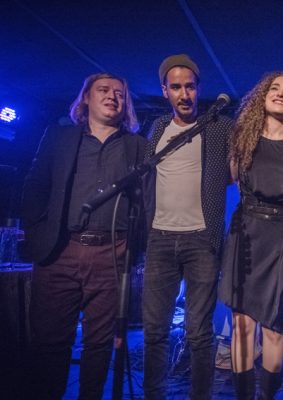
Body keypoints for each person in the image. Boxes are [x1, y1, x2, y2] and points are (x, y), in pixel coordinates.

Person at [21, 72, 146, 400]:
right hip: (60, 250)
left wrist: (133, 250)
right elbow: (34, 189)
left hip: (111, 254)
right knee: (51, 342)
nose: (112, 97)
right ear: (86, 98)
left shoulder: (137, 146)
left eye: (120, 93)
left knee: (100, 343)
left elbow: (148, 201)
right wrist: (37, 237)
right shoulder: (59, 138)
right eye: (103, 90)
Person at [218, 71, 283, 399]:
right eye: (274, 88)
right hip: (245, 233)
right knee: (242, 325)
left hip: (282, 238)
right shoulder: (243, 139)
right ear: (261, 97)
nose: (280, 93)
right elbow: (225, 179)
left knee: (275, 328)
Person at [142, 54, 233, 400]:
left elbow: (237, 166)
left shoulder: (219, 125)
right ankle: (154, 395)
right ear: (165, 91)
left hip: (201, 239)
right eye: (176, 87)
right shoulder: (159, 128)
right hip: (160, 239)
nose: (184, 94)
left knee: (199, 332)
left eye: (190, 86)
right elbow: (147, 177)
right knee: (154, 331)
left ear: (199, 89)